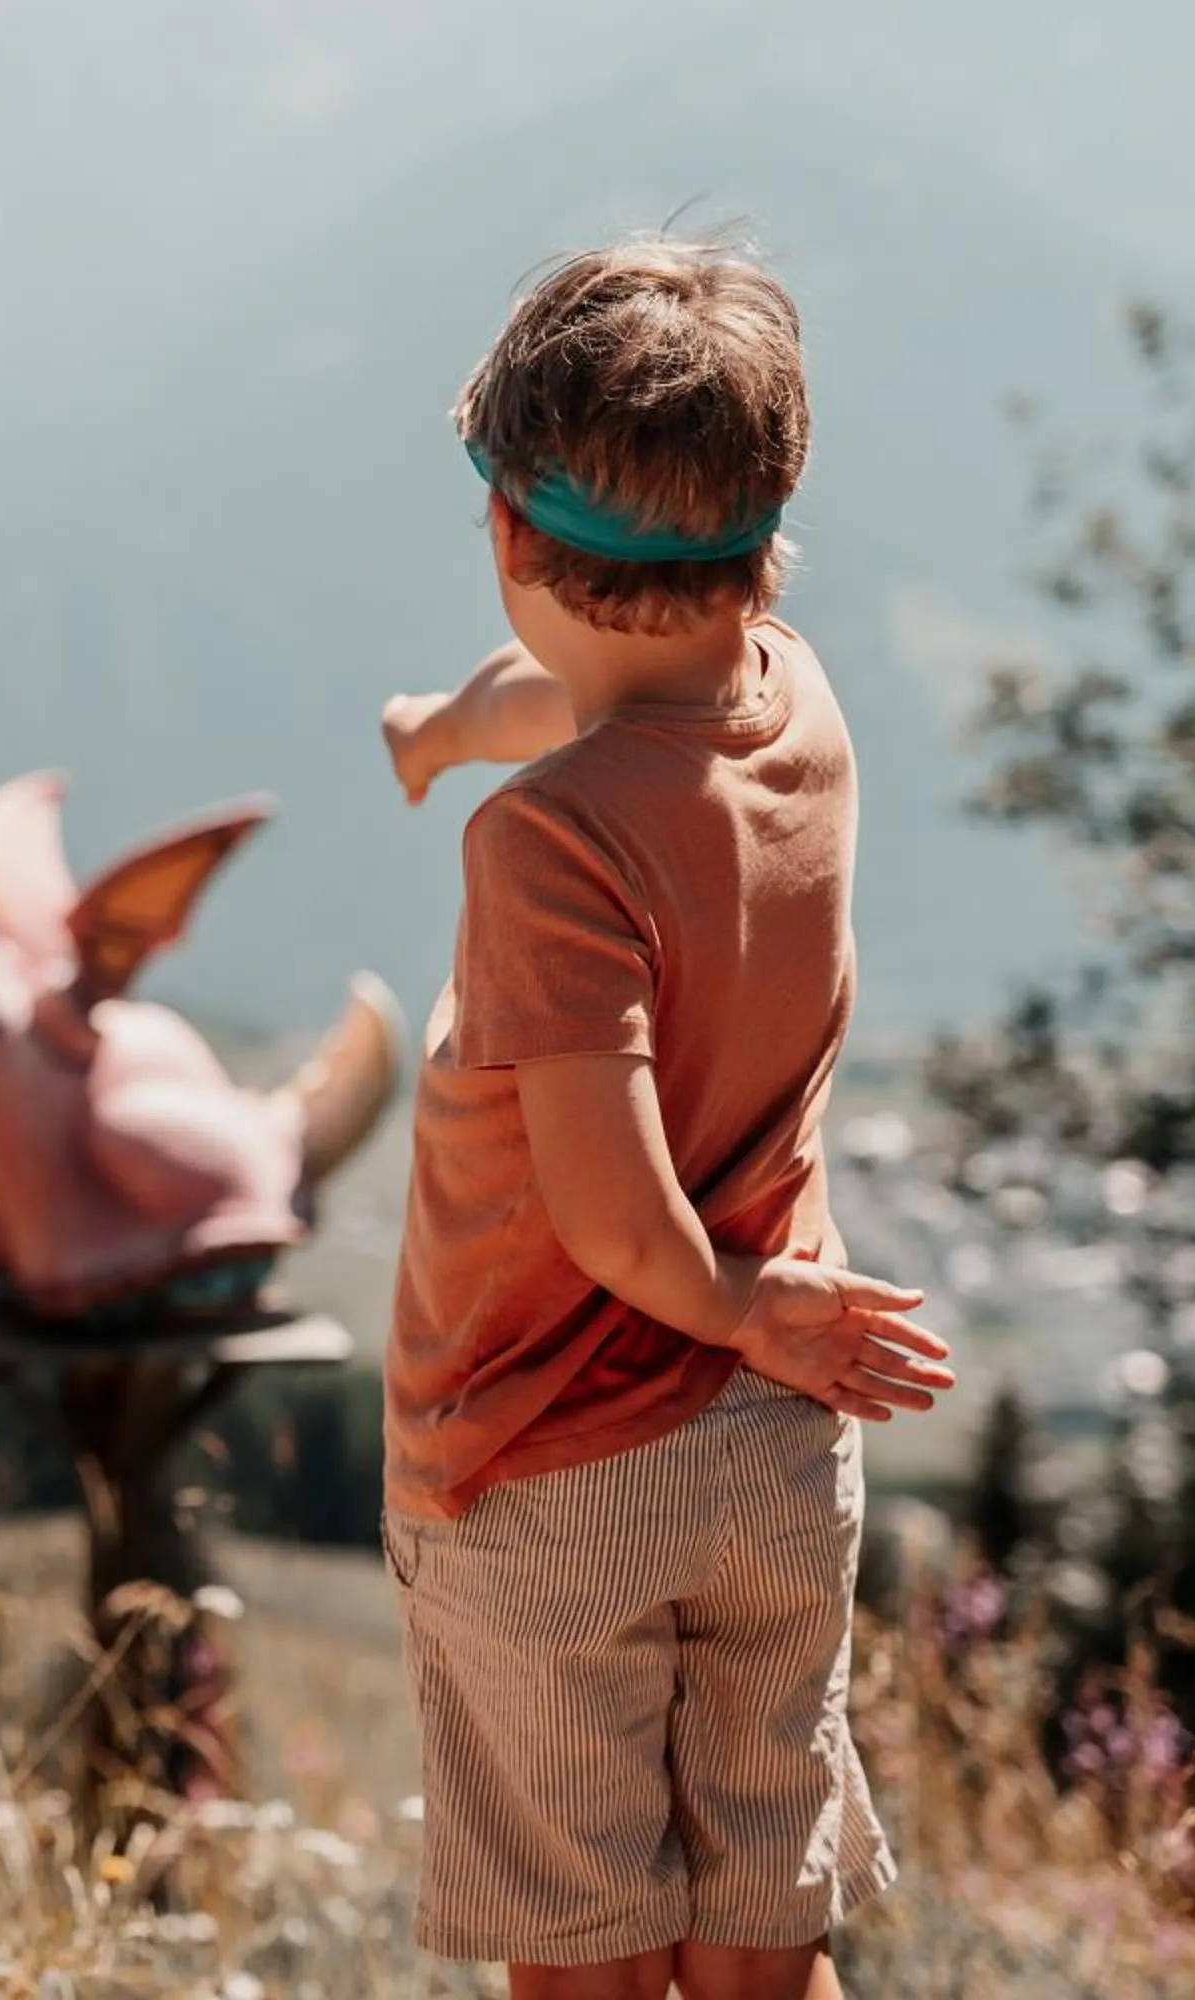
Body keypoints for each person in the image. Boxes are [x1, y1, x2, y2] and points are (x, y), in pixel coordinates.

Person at [377, 239, 957, 2000]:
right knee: (760, 1931)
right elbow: (610, 695)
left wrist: (732, 1301)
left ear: (501, 541)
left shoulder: (548, 848)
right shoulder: (798, 703)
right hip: (778, 1459)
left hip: (556, 1471)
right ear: (761, 542)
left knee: (588, 1958)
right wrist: (446, 728)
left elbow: (621, 1221)